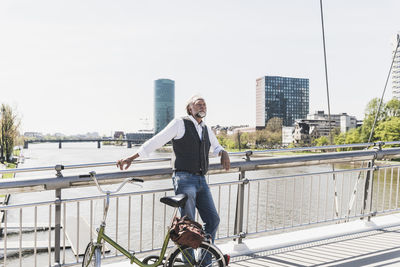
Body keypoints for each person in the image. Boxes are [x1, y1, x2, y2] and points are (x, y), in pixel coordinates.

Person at [117, 95, 230, 245]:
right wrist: (132, 157)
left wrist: (224, 152)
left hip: (201, 179)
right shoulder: (180, 123)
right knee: (187, 226)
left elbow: (216, 147)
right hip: (184, 179)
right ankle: (188, 262)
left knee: (213, 220)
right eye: (198, 104)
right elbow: (157, 140)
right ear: (190, 108)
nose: (202, 106)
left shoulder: (206, 129)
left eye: (204, 105)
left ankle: (205, 260)